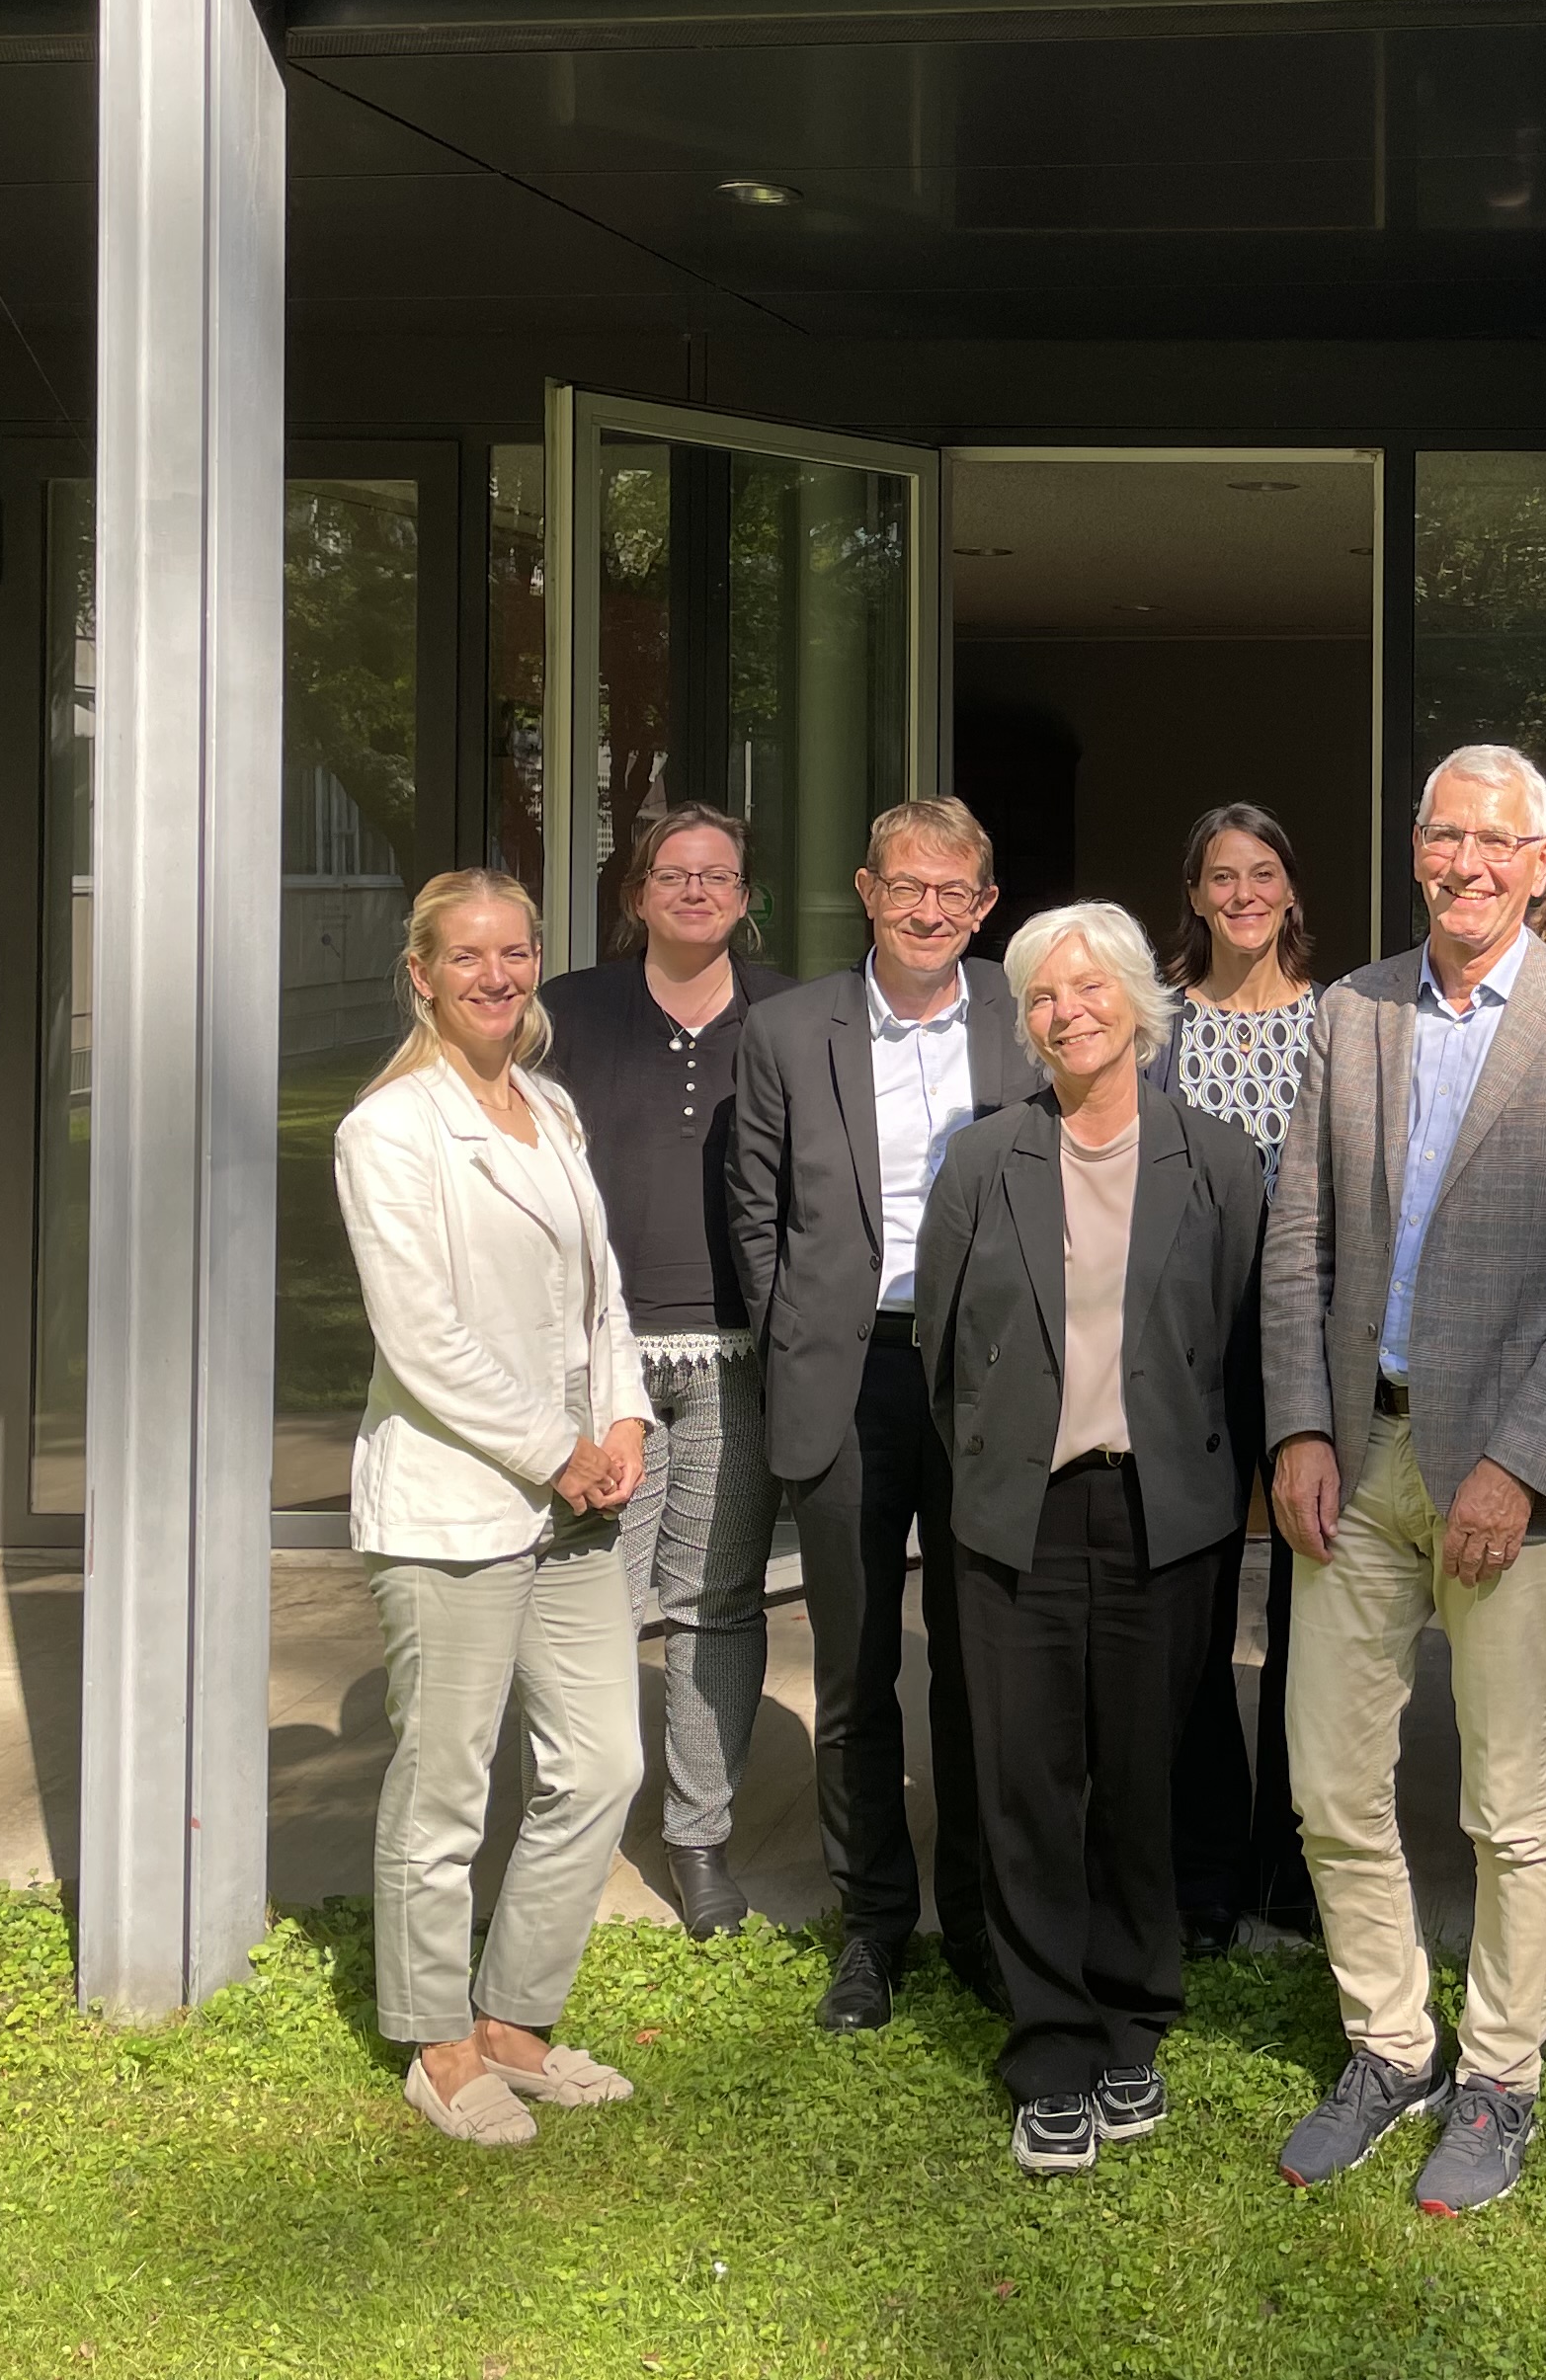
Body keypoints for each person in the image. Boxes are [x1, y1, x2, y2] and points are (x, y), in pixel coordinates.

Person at [1259, 743, 1546, 2216]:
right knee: (1330, 1785)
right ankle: (1388, 2042)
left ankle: (1499, 2074)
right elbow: (1296, 1240)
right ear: (1416, 846)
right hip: (1355, 1457)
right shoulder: (1351, 1011)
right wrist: (1298, 1427)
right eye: (1446, 839)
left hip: (1515, 1481)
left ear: (1544, 861)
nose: (1469, 867)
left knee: (1511, 1801)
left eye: (1499, 846)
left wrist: (1522, 1461)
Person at [918, 903, 1269, 2178]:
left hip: (1161, 1516)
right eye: (1041, 999)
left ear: (1134, 997)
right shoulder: (981, 1161)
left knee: (1140, 1783)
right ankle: (1051, 2049)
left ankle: (1132, 2022)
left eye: (1086, 988)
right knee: (1024, 1785)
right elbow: (945, 1348)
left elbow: (1237, 1347)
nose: (1067, 1013)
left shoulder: (1220, 1162)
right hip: (1017, 1516)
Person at [334, 869, 652, 2147]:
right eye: (467, 956)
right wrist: (554, 1449)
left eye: (515, 953)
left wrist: (622, 1414)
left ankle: (517, 2019)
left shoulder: (552, 1106)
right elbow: (420, 1336)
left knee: (601, 1762)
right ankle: (436, 2042)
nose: (496, 976)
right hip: (458, 1505)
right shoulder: (389, 1129)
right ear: (421, 973)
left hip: (572, 1492)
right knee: (447, 1785)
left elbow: (600, 1293)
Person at [729, 796, 1039, 2033]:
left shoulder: (1027, 1027)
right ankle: (871, 1926)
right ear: (866, 889)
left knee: (978, 1665)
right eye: (907, 886)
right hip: (846, 1380)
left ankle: (973, 1914)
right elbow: (755, 1217)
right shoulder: (788, 1031)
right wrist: (796, 1335)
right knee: (855, 1672)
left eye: (953, 894)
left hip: (985, 1377)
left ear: (986, 907)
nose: (927, 911)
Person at [536, 803, 794, 1942]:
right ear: (637, 892)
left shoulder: (790, 1015)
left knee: (716, 1606)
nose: (696, 892)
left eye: (719, 876)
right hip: (605, 1364)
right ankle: (578, 1825)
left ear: (745, 898)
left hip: (739, 1357)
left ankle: (697, 1837)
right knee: (593, 1602)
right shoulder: (569, 1014)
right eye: (673, 875)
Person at [1152, 804, 1326, 1949]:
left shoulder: (1344, 1022)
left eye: (1264, 873)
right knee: (1199, 1613)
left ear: (1290, 892)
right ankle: (1204, 1868)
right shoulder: (1157, 1026)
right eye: (1223, 876)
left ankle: (1294, 1866)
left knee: (1316, 1617)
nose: (1245, 895)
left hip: (1311, 1342)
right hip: (1193, 1351)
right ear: (1198, 894)